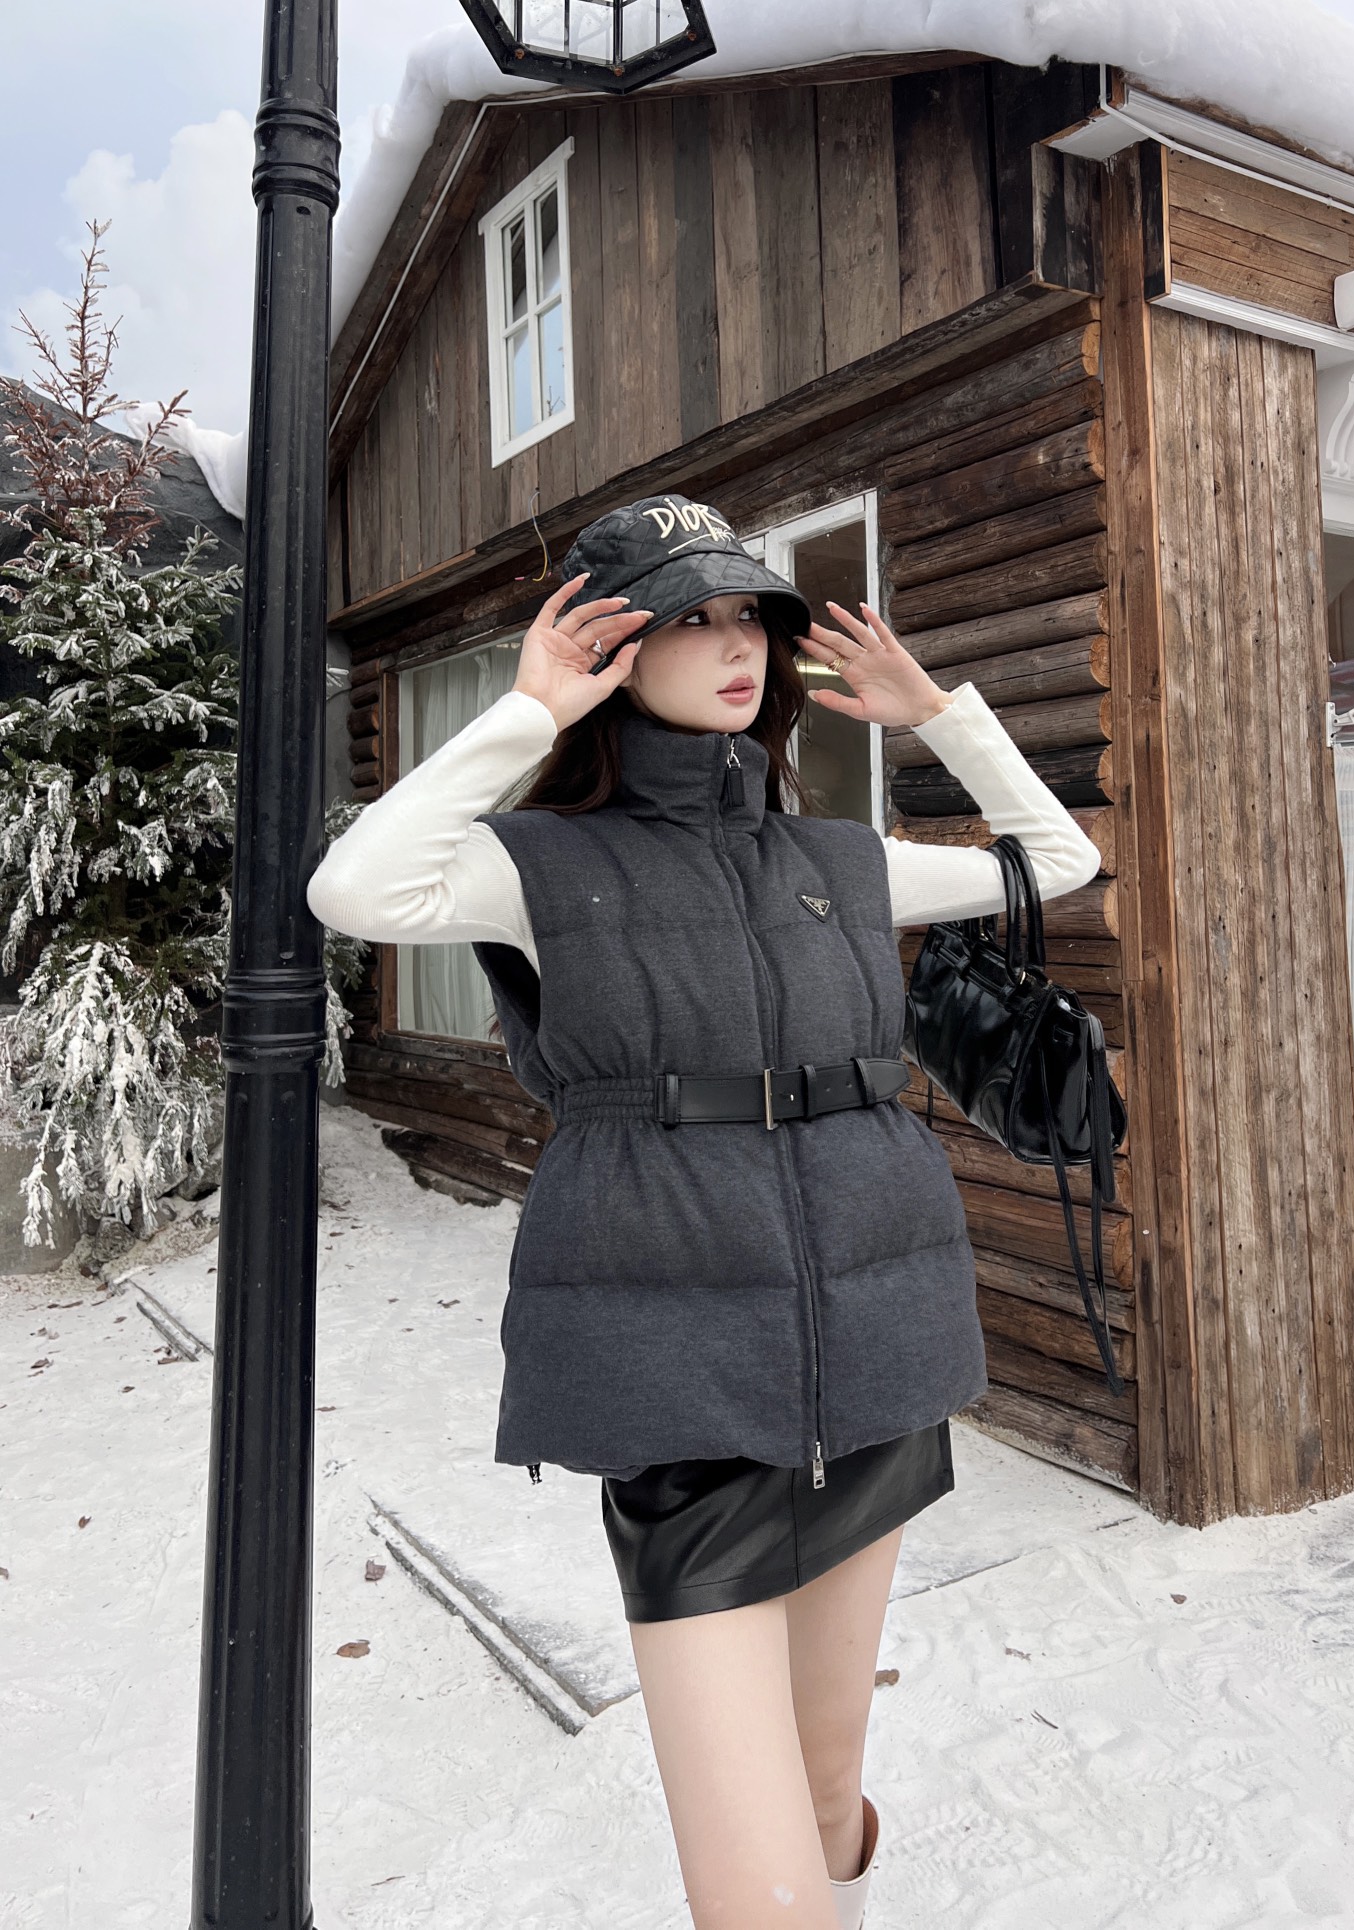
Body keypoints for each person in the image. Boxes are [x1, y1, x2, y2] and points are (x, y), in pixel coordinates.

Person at [307, 494, 1101, 1929]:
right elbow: (355, 886)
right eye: (693, 618)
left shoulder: (837, 860)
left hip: (879, 1355)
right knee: (756, 1892)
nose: (738, 646)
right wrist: (529, 712)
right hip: (680, 1394)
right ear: (614, 647)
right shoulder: (537, 865)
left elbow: (1059, 864)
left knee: (828, 1794)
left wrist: (939, 715)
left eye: (751, 617)